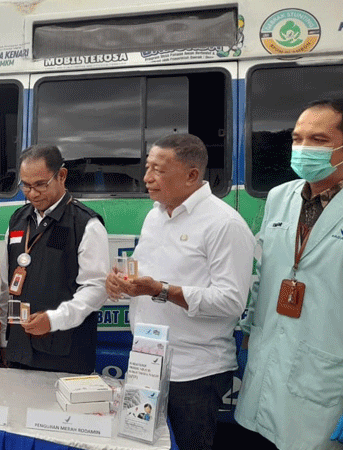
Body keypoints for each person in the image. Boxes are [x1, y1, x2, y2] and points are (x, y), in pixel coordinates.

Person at [105, 133, 254, 450]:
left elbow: (231, 301)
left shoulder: (224, 224)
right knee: (138, 443)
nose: (146, 178)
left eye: (158, 170)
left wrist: (160, 290)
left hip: (194, 372)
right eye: (147, 167)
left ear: (191, 175)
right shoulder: (154, 216)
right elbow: (143, 271)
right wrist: (123, 282)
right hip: (146, 361)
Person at [235, 99, 343, 450]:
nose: (302, 149)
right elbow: (265, 273)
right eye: (297, 138)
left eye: (318, 140)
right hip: (270, 355)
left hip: (326, 367)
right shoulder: (281, 196)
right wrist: (250, 332)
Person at [0, 144, 110, 374]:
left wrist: (54, 319)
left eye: (40, 184)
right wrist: (3, 339)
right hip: (19, 349)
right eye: (25, 185)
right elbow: (5, 283)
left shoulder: (85, 224)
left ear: (61, 175)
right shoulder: (18, 220)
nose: (32, 193)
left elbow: (96, 289)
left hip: (64, 353)